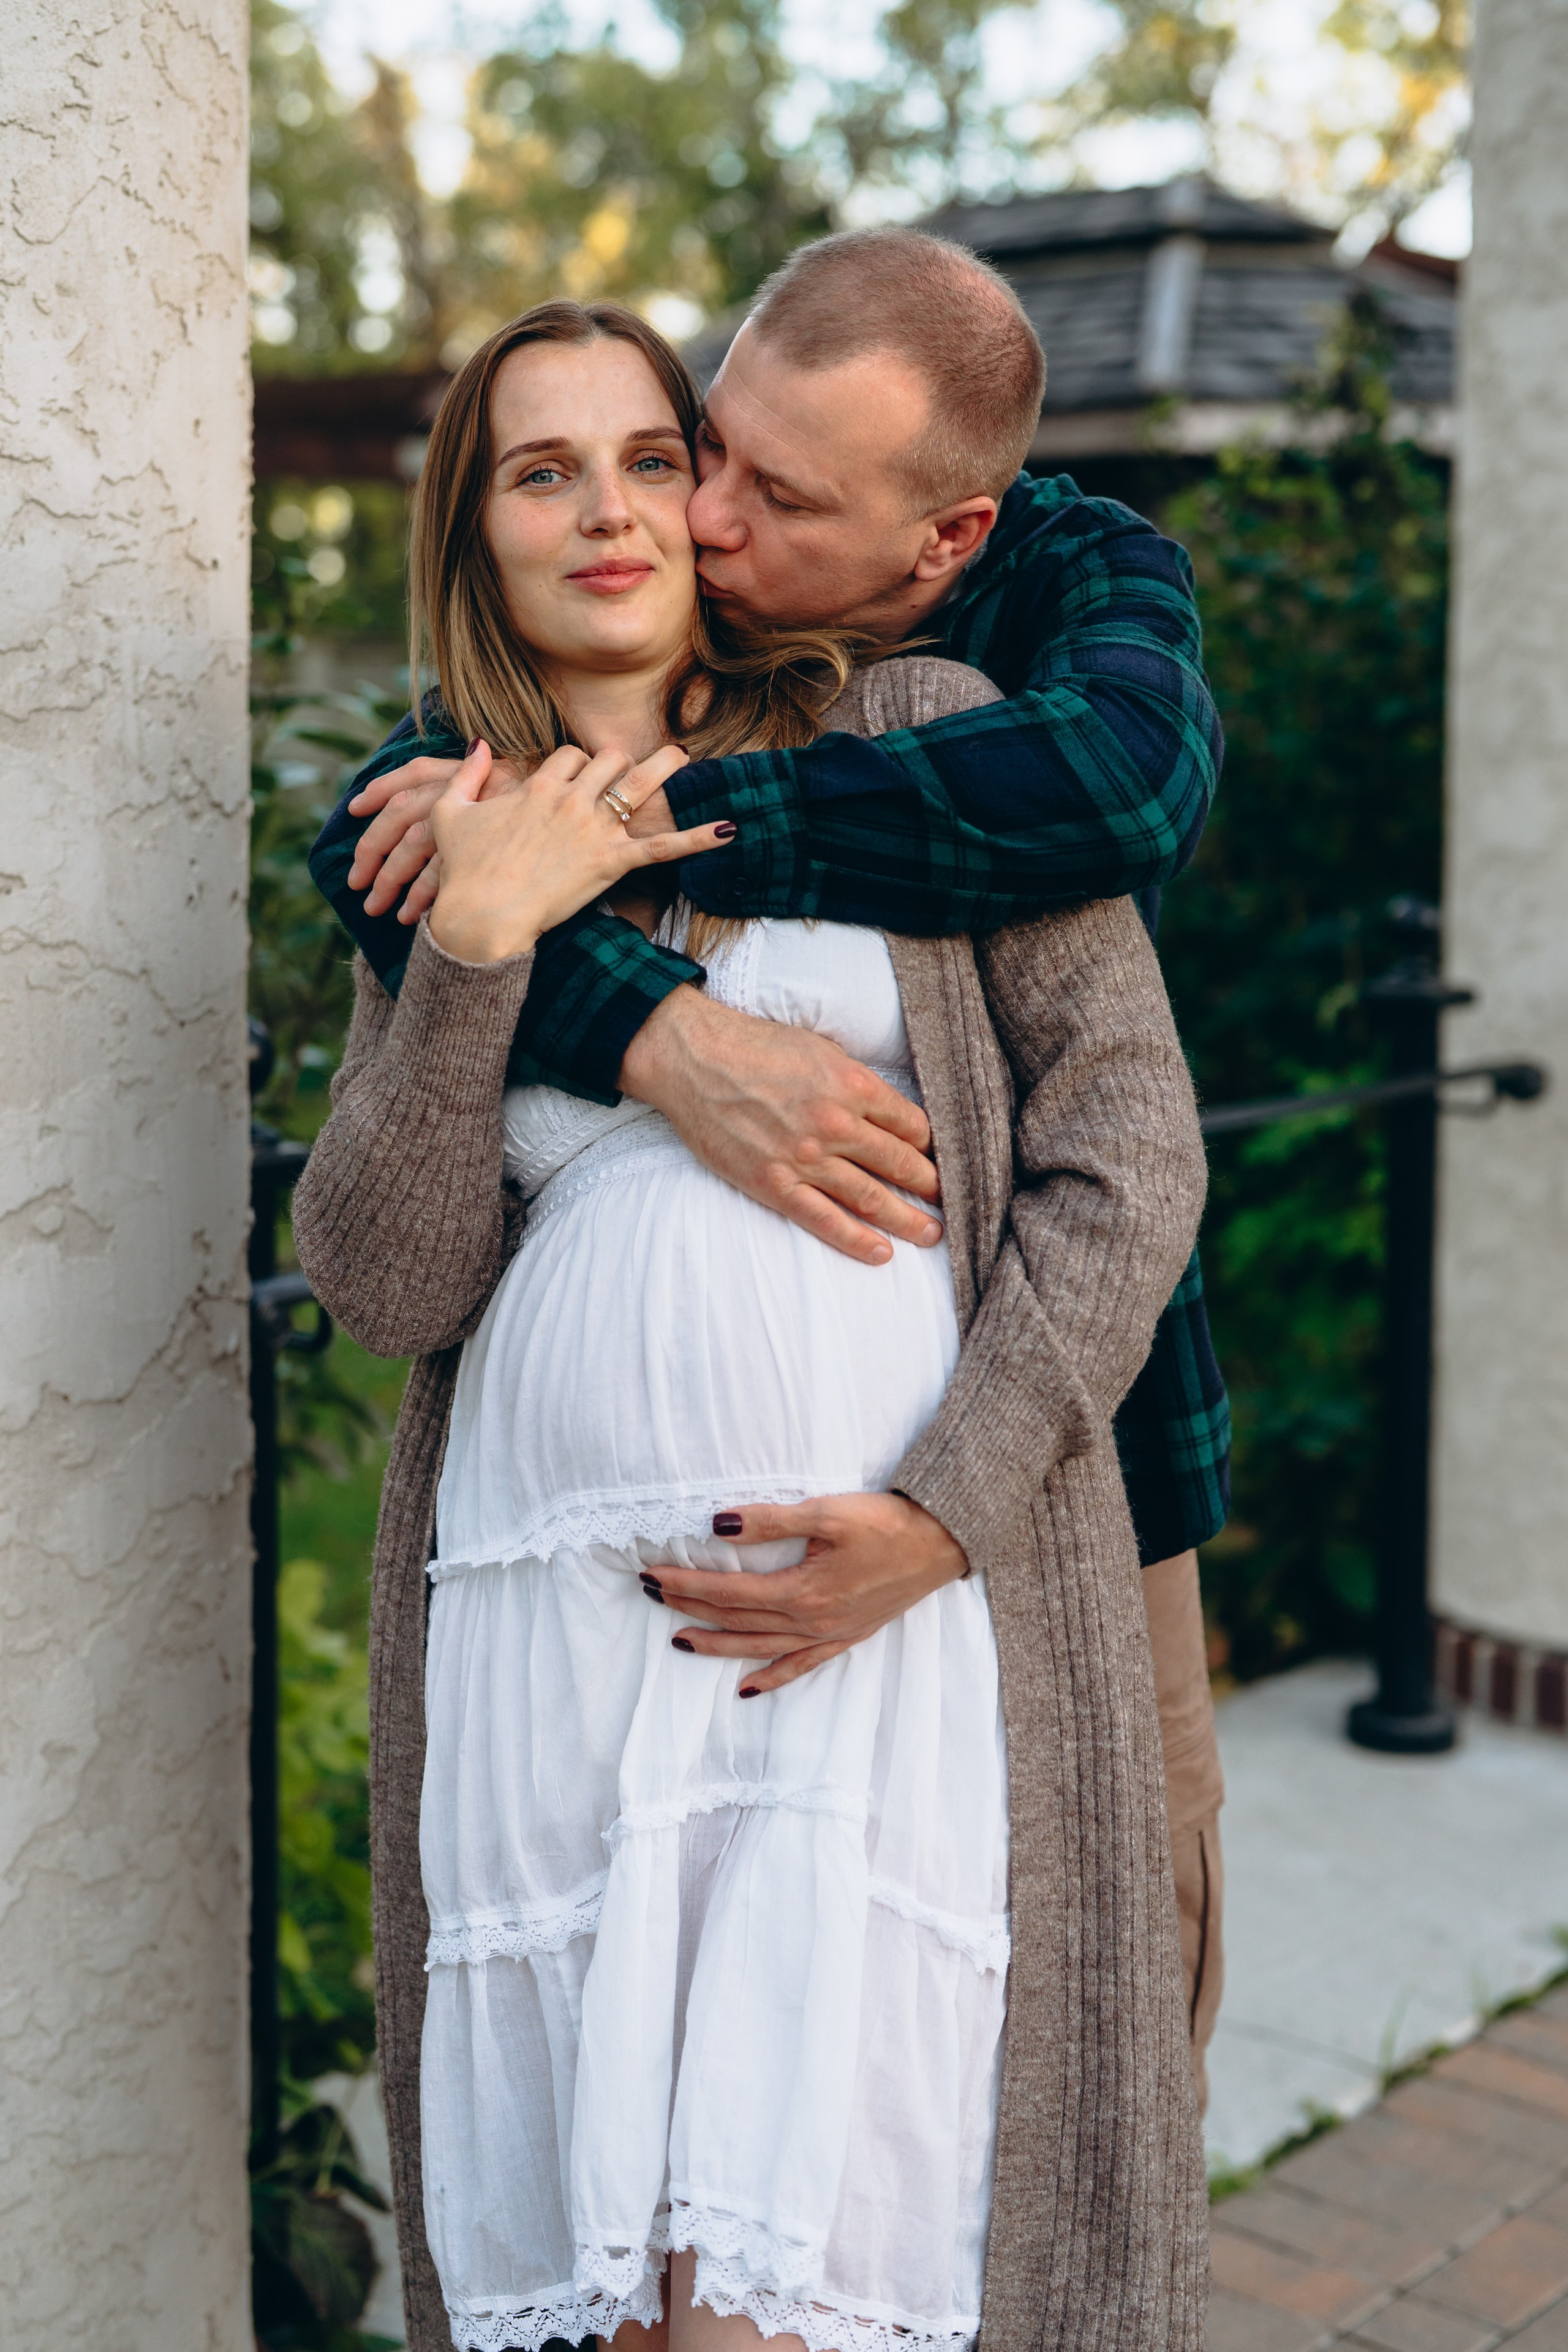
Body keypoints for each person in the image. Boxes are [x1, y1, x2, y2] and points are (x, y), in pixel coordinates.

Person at [292, 297, 1210, 2352]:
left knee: (785, 2301)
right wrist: (478, 950)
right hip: (558, 1662)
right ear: (478, 532)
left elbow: (1133, 1159)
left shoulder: (922, 741)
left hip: (872, 1653)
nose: (628, 508)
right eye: (547, 469)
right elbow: (381, 1275)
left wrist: (945, 1513)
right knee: (618, 2311)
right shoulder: (442, 838)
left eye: (653, 452)